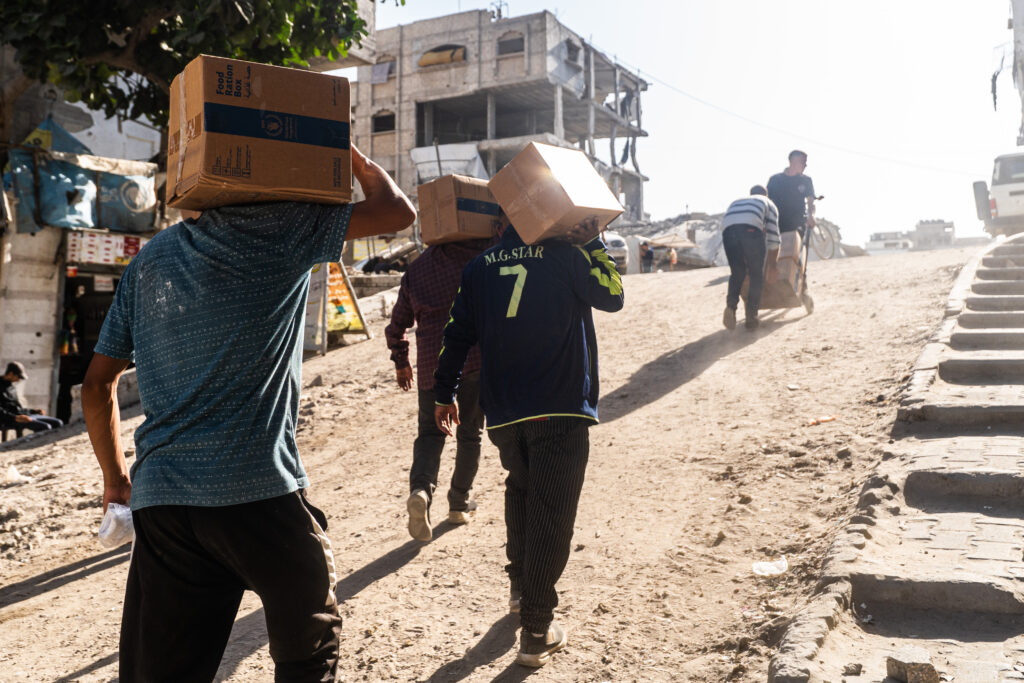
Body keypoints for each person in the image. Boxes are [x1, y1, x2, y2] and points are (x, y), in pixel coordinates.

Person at [81, 145, 415, 683]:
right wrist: (345, 153)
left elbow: (97, 384)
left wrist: (117, 481)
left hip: (162, 500)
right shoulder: (281, 227)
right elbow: (397, 212)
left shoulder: (148, 262)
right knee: (309, 642)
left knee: (163, 670)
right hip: (254, 488)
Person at [433, 213, 623, 668]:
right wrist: (594, 242)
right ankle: (537, 629)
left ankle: (521, 589)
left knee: (521, 489)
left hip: (503, 413)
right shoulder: (567, 254)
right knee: (552, 511)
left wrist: (443, 393)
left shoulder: (479, 267)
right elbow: (613, 295)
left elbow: (456, 334)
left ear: (501, 225)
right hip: (559, 406)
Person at [385, 236, 494, 542]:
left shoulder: (416, 271)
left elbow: (397, 325)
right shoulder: (477, 257)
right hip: (473, 359)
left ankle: (421, 490)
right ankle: (459, 505)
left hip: (432, 366)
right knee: (470, 433)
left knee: (430, 434)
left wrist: (401, 361)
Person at [720, 185, 781, 331]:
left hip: (728, 229)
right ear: (766, 194)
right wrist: (772, 266)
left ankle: (731, 306)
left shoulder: (739, 201)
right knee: (756, 274)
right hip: (750, 228)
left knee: (737, 272)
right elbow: (774, 239)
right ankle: (751, 317)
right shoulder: (769, 204)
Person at [767, 149, 816, 309]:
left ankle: (804, 291)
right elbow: (766, 203)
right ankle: (773, 290)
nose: (806, 166)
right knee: (775, 257)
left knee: (798, 257)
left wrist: (811, 215)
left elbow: (811, 202)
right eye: (803, 162)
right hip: (777, 224)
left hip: (797, 224)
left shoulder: (806, 180)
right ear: (794, 161)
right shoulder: (775, 180)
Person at [1, 361, 64, 434]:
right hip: (9, 419)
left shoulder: (11, 386)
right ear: (10, 374)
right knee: (45, 427)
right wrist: (15, 418)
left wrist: (33, 411)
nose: (18, 380)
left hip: (21, 415)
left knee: (58, 423)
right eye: (18, 377)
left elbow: (17, 408)